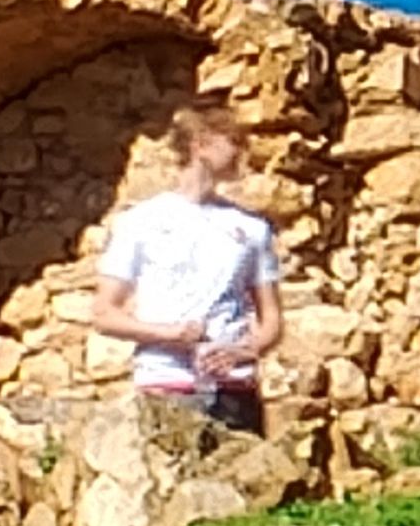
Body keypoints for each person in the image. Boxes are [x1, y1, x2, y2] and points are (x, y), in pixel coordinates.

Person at [90, 97, 283, 433]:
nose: (243, 152)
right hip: (165, 385)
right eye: (234, 141)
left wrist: (244, 351)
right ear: (201, 145)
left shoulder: (252, 228)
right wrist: (168, 334)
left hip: (234, 392)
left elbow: (272, 320)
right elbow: (104, 314)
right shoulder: (140, 222)